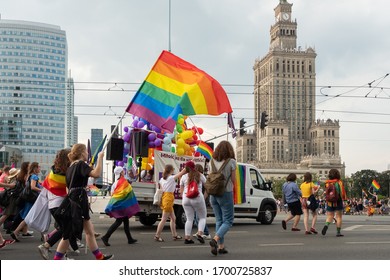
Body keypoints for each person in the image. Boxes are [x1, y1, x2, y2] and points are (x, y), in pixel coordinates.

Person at [53, 143, 113, 260]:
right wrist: (100, 158)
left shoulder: (70, 167)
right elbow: (96, 174)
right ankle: (57, 259)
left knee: (84, 231)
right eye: (86, 151)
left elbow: (67, 188)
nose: (87, 154)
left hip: (72, 199)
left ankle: (99, 256)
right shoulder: (81, 164)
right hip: (79, 200)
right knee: (75, 233)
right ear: (81, 153)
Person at [37, 148, 80, 260]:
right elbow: (70, 187)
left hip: (52, 205)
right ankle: (46, 246)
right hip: (61, 205)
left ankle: (63, 256)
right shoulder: (67, 172)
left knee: (65, 231)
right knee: (66, 231)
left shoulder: (52, 172)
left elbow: (45, 188)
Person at [208, 140, 236, 255]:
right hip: (225, 193)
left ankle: (220, 246)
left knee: (219, 220)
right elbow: (234, 180)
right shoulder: (232, 162)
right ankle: (215, 240)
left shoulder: (211, 161)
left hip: (213, 194)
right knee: (228, 220)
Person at [101, 166, 139, 246]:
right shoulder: (123, 182)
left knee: (125, 221)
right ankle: (106, 237)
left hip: (119, 205)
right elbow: (127, 192)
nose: (124, 172)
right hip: (121, 206)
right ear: (121, 173)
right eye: (123, 171)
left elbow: (113, 195)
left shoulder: (115, 183)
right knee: (119, 221)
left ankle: (130, 239)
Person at [11, 162, 42, 241]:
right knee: (29, 217)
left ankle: (16, 232)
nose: (40, 169)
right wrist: (41, 190)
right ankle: (15, 232)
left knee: (28, 217)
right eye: (39, 167)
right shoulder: (34, 176)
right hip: (32, 199)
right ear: (35, 168)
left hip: (28, 198)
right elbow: (32, 187)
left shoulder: (29, 176)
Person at [154, 164, 186, 242]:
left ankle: (174, 235)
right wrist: (188, 165)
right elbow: (182, 173)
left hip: (166, 197)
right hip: (168, 198)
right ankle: (157, 235)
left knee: (173, 218)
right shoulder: (171, 178)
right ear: (171, 170)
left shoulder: (162, 179)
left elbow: (161, 189)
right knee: (164, 219)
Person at [179, 160, 207, 244]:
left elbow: (181, 191)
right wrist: (204, 196)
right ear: (194, 167)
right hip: (197, 197)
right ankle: (200, 233)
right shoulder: (200, 175)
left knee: (189, 219)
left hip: (186, 199)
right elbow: (208, 186)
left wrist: (185, 196)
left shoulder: (183, 177)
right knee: (202, 217)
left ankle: (187, 238)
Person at [321, 168, 347, 237]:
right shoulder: (339, 182)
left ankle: (326, 225)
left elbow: (326, 192)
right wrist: (344, 199)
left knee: (330, 216)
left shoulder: (327, 183)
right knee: (338, 217)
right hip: (338, 201)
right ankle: (338, 232)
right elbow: (342, 193)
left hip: (329, 201)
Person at [193, 164, 211, 239]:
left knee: (199, 217)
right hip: (196, 199)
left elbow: (207, 188)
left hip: (201, 199)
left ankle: (206, 233)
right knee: (195, 217)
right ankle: (200, 231)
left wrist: (203, 197)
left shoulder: (201, 176)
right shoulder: (194, 177)